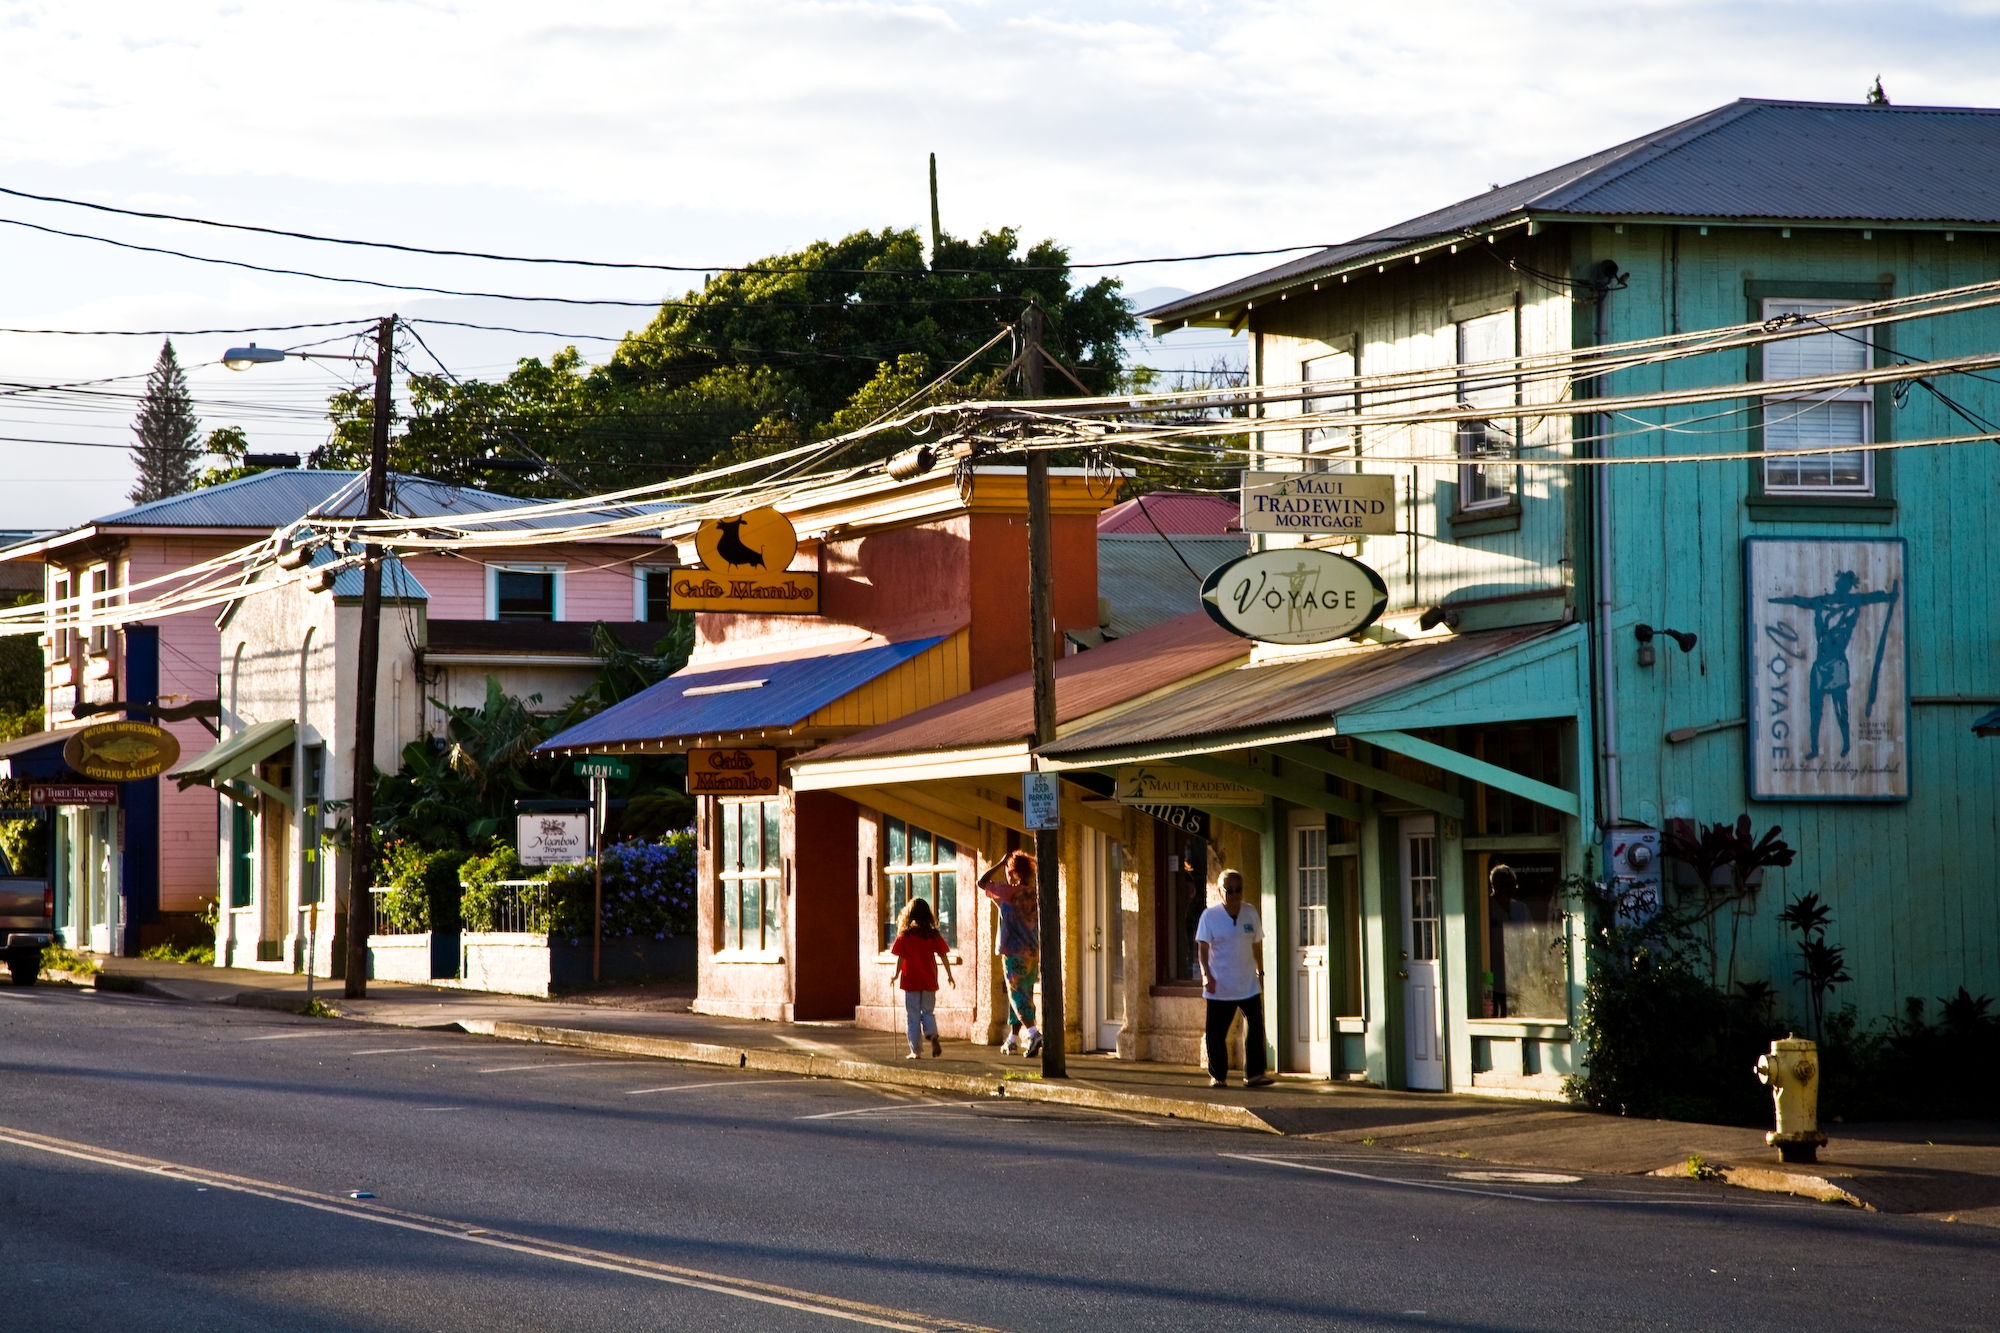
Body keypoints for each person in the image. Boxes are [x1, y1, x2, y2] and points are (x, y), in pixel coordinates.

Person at [1195, 870, 1272, 1089]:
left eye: (1239, 889)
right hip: (1220, 984)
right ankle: (1218, 1075)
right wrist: (1205, 975)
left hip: (1247, 983)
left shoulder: (1250, 913)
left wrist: (1260, 971)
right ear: (1220, 891)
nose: (1235, 894)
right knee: (1216, 1034)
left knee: (1256, 1028)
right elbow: (1202, 947)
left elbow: (1256, 944)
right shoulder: (1210, 916)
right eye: (1230, 890)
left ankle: (1255, 1074)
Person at [982, 848, 1042, 1057]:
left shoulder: (1006, 893)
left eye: (1008, 869)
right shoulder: (1036, 892)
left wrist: (999, 863)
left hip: (1013, 951)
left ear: (1014, 872)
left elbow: (981, 882)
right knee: (1023, 994)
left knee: (1017, 995)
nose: (1006, 872)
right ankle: (1013, 1039)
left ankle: (1034, 1033)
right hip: (1032, 952)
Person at [888, 897, 954, 1059]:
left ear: (908, 915)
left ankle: (915, 1051)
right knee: (928, 1012)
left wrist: (895, 975)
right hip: (929, 980)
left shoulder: (905, 935)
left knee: (913, 1015)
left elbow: (900, 958)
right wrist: (950, 975)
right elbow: (943, 955)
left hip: (910, 980)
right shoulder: (932, 935)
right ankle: (932, 1035)